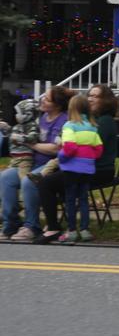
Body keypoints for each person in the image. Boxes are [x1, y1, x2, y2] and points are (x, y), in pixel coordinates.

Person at [35, 85, 119, 243]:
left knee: (46, 183)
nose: (90, 98)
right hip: (87, 167)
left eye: (96, 96)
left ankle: (53, 227)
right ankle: (72, 227)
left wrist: (63, 154)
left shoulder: (104, 122)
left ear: (106, 100)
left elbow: (85, 148)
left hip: (97, 170)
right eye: (89, 95)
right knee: (56, 181)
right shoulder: (92, 122)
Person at [0, 86, 72, 241]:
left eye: (47, 98)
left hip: (51, 165)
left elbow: (55, 148)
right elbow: (23, 132)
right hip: (32, 161)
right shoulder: (41, 118)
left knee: (28, 181)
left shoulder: (63, 120)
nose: (42, 100)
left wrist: (30, 144)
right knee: (5, 178)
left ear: (57, 105)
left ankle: (31, 226)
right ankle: (10, 224)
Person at [53, 94, 104, 244]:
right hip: (87, 168)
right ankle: (85, 230)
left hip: (71, 167)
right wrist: (89, 157)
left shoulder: (69, 125)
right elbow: (99, 149)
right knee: (83, 198)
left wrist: (61, 157)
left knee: (70, 199)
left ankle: (72, 231)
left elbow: (69, 147)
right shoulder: (93, 126)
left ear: (71, 109)